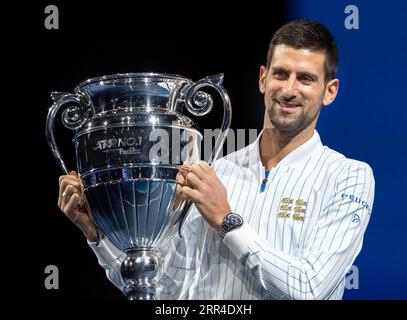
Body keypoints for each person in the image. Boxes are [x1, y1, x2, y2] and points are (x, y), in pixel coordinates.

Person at [58, 19, 375, 300]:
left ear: (329, 91)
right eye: (281, 74)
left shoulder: (348, 177)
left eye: (305, 79)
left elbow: (309, 288)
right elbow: (169, 291)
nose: (290, 89)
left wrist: (227, 220)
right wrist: (99, 236)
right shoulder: (215, 172)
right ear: (263, 79)